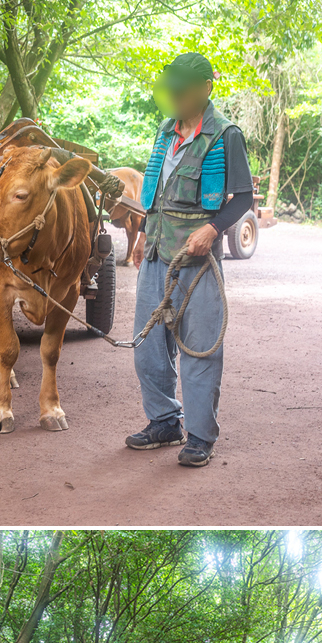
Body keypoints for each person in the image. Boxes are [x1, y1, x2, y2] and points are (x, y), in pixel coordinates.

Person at [126, 52, 254, 467]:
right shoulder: (165, 131)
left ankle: (200, 436)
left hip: (197, 264)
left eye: (183, 91)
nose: (176, 99)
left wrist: (213, 230)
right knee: (148, 345)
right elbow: (158, 195)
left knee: (200, 350)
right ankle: (164, 421)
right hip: (157, 254)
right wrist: (144, 233)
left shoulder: (224, 134)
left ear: (205, 89)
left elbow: (244, 200)